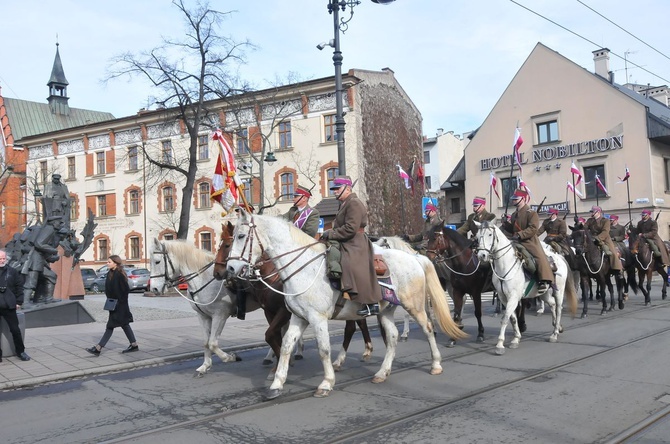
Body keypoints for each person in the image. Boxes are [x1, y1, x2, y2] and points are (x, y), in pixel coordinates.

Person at [321, 176, 382, 316]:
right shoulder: (344, 204)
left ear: (347, 189)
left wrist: (331, 234)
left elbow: (350, 228)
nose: (335, 191)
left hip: (355, 242)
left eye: (337, 189)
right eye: (334, 189)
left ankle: (372, 303)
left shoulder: (354, 203)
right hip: (345, 240)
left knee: (350, 264)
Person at [501, 189, 554, 294]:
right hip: (516, 241)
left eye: (516, 199)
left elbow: (533, 228)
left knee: (539, 257)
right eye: (513, 199)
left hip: (529, 241)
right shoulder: (514, 215)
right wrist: (505, 224)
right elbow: (513, 229)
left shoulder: (531, 213)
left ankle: (543, 280)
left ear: (523, 199)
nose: (514, 201)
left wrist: (520, 235)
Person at [86, 255, 139, 356]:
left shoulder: (120, 274)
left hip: (120, 305)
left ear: (116, 263)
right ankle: (134, 345)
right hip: (113, 305)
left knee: (110, 326)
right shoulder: (110, 273)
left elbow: (125, 290)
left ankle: (98, 348)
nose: (107, 263)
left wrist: (120, 303)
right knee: (124, 325)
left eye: (109, 262)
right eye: (107, 261)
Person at [0, 249, 31, 362]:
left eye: (3, 258)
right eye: (0, 259)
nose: (2, 260)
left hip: (9, 305)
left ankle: (21, 351)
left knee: (15, 330)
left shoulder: (12, 271)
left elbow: (19, 287)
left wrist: (19, 302)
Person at [585, 206, 622, 272]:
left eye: (593, 212)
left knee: (612, 253)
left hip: (604, 239)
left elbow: (605, 231)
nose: (591, 213)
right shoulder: (590, 220)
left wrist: (598, 238)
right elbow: (584, 228)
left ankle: (617, 269)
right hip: (592, 239)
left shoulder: (605, 221)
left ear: (598, 212)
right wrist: (578, 224)